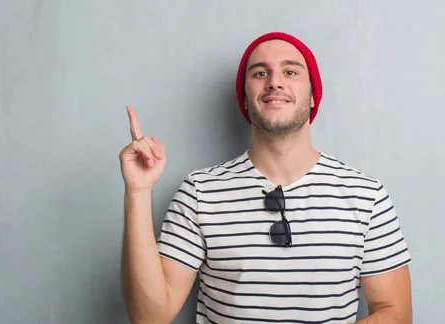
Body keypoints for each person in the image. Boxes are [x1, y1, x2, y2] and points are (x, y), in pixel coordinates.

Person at [119, 32, 412, 324]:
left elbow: (395, 313)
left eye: (290, 71)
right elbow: (149, 317)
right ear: (245, 100)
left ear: (312, 96)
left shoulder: (366, 196)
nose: (274, 81)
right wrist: (137, 192)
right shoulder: (200, 193)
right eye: (260, 73)